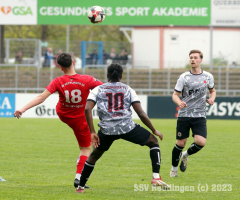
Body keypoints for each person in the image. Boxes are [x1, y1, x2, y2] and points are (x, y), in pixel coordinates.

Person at [76, 63, 170, 193]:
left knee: (94, 156)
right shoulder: (128, 89)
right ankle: (156, 177)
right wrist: (153, 130)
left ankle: (80, 187)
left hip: (106, 130)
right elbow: (140, 113)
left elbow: (87, 108)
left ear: (107, 75)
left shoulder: (97, 89)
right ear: (121, 76)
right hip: (127, 128)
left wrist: (92, 131)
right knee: (153, 142)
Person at [14, 53, 103, 188]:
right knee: (85, 148)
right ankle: (79, 178)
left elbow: (41, 97)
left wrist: (23, 109)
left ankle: (79, 178)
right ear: (73, 62)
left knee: (82, 142)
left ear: (61, 68)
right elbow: (106, 89)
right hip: (79, 118)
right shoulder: (87, 79)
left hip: (64, 114)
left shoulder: (58, 81)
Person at [170, 49, 216, 177]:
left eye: (195, 57)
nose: (193, 59)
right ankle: (174, 169)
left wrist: (212, 99)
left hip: (200, 115)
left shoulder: (208, 76)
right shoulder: (184, 77)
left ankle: (185, 155)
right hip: (184, 115)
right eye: (191, 57)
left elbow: (212, 91)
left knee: (201, 142)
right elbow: (175, 95)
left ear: (200, 60)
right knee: (180, 143)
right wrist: (179, 103)